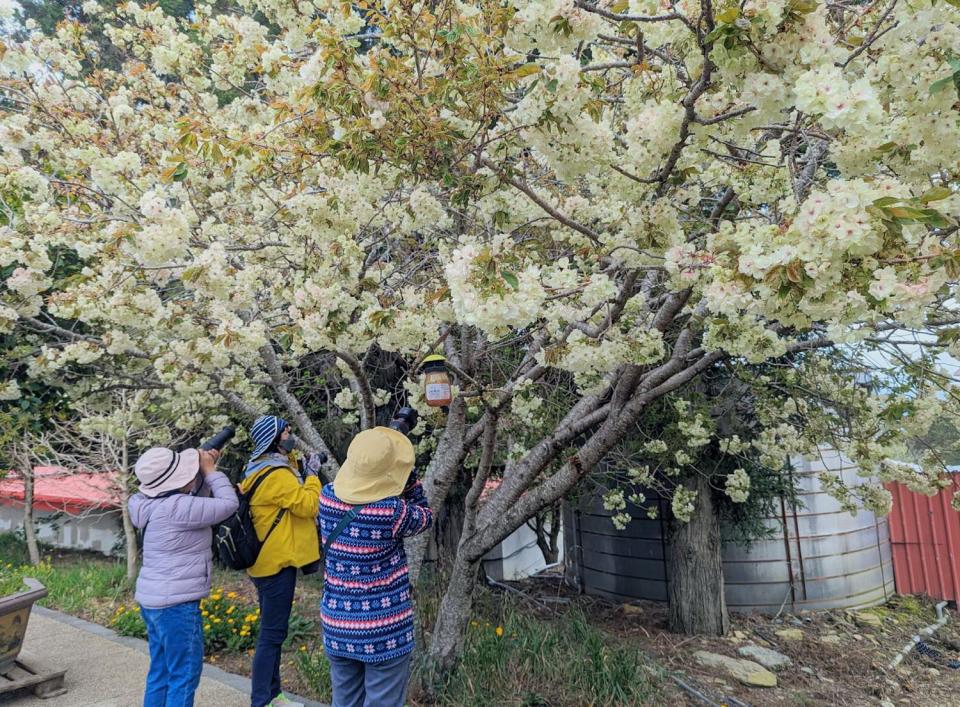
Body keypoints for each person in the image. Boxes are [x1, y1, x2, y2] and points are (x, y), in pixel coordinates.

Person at [318, 425, 433, 707]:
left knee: (344, 702)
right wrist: (410, 481)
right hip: (384, 631)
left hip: (337, 624)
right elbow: (426, 516)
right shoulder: (391, 512)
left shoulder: (326, 497)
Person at [130, 445, 239, 707]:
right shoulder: (178, 507)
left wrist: (201, 473)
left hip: (153, 601)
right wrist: (211, 471)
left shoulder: (147, 503)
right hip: (176, 606)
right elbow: (229, 504)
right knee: (184, 675)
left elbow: (188, 502)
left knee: (161, 671)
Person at [241, 415, 322, 707]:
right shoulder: (276, 474)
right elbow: (308, 505)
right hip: (276, 565)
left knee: (273, 632)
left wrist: (300, 465)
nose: (291, 435)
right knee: (272, 635)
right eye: (286, 431)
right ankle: (262, 700)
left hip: (265, 563)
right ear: (275, 439)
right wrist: (313, 474)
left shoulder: (260, 467)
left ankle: (272, 696)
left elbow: (288, 493)